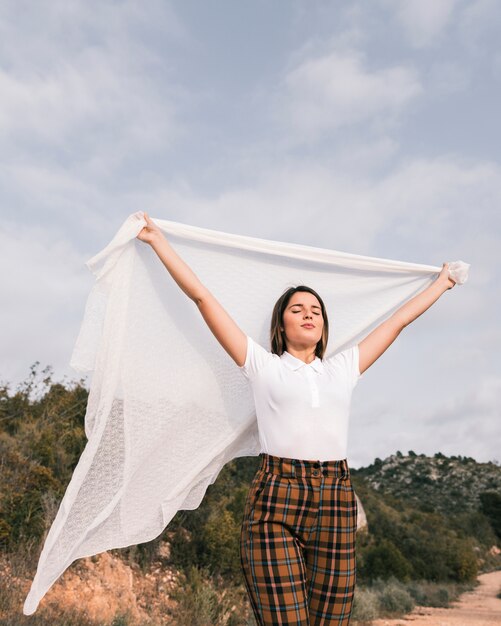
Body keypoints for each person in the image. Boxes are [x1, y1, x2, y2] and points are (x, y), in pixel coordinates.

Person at [136, 212, 456, 626]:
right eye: (297, 309)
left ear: (323, 328)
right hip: (276, 499)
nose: (309, 314)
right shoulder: (262, 365)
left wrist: (442, 284)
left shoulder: (343, 368)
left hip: (336, 500)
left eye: (316, 311)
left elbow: (397, 320)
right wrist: (159, 242)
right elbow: (202, 299)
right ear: (281, 324)